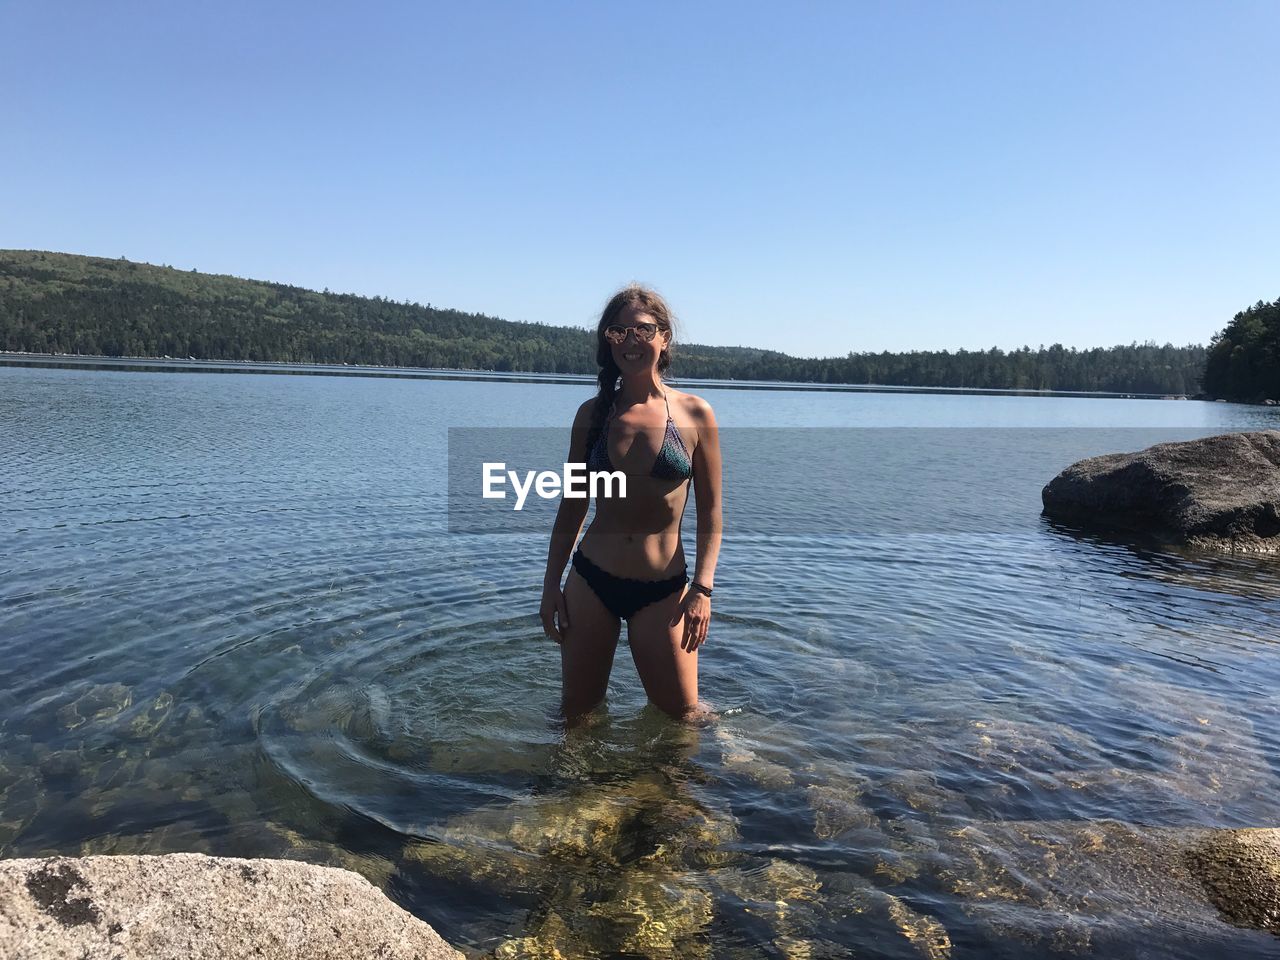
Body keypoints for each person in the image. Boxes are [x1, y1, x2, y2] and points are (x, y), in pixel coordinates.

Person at [540, 284, 722, 725]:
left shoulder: (695, 414)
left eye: (642, 331)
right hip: (591, 581)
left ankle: (690, 783)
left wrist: (702, 588)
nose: (630, 342)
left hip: (662, 591)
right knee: (575, 719)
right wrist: (550, 584)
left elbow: (712, 511)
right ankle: (573, 794)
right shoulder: (593, 415)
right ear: (607, 341)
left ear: (664, 338)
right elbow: (573, 504)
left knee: (683, 717)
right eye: (617, 332)